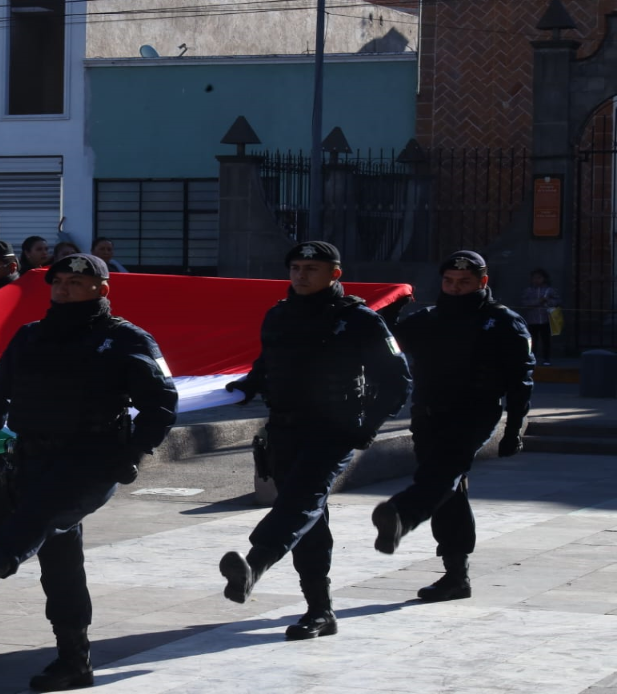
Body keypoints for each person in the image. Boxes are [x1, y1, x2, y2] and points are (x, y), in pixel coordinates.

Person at [0, 253, 177, 692]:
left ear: (101, 290)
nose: (63, 289)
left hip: (93, 458)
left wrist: (135, 453)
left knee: (40, 517)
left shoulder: (126, 340)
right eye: (58, 281)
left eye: (74, 283)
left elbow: (161, 404)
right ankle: (74, 660)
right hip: (33, 456)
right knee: (59, 561)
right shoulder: (30, 337)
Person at [218, 241, 411, 640]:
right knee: (308, 519)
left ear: (334, 274)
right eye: (296, 267)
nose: (302, 275)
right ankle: (320, 610)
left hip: (334, 430)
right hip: (285, 430)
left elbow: (396, 381)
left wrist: (367, 428)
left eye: (312, 268)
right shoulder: (279, 315)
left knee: (299, 503)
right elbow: (266, 362)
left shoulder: (358, 319)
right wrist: (247, 385)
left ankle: (254, 565)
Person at [372, 251, 534, 602]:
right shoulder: (428, 319)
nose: (456, 288)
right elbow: (385, 341)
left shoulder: (502, 321)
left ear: (482, 282)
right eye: (449, 281)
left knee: (442, 476)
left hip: (474, 414)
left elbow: (522, 379)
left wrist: (514, 430)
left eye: (465, 283)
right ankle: (455, 575)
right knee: (449, 490)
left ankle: (403, 513)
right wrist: (389, 308)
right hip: (429, 414)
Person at [519, 268, 559, 366]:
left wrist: (547, 302)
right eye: (534, 278)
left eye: (539, 278)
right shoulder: (528, 291)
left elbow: (557, 301)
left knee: (546, 340)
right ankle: (532, 357)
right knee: (532, 340)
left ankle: (546, 358)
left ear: (544, 279)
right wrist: (537, 302)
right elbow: (524, 303)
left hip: (546, 319)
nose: (536, 280)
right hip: (532, 320)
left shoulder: (549, 290)